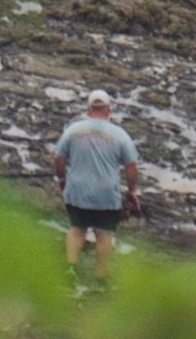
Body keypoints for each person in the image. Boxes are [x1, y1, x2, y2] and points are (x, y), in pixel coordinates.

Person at [56, 95, 136, 272]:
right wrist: (132, 192)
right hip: (106, 194)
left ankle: (71, 269)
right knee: (104, 233)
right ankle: (101, 277)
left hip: (77, 191)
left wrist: (62, 179)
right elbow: (131, 167)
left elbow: (59, 159)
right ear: (109, 110)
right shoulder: (120, 135)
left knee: (77, 229)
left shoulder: (73, 130)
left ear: (89, 109)